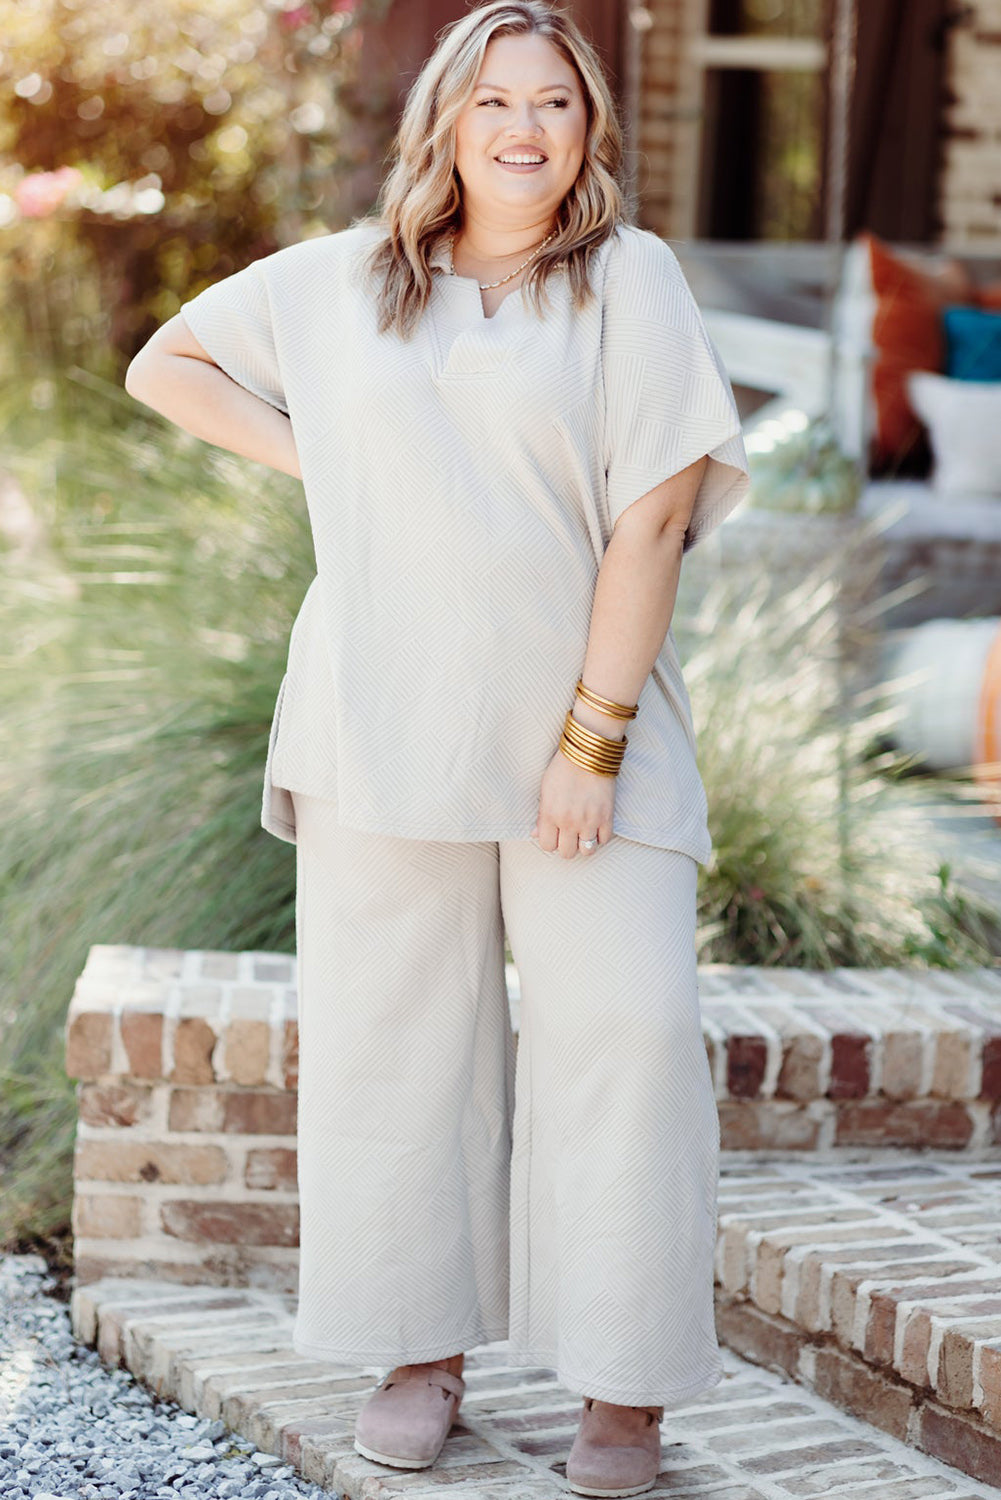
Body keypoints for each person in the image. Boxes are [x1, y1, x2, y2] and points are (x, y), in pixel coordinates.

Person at [124, 2, 749, 1494]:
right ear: (446, 124)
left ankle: (622, 1384)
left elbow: (655, 518)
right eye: (494, 102)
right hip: (377, 719)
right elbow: (165, 362)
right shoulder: (343, 280)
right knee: (394, 1043)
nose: (524, 129)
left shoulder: (628, 281)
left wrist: (590, 743)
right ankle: (417, 1353)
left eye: (555, 103)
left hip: (582, 729)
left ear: (590, 128)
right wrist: (328, 460)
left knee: (629, 1033)